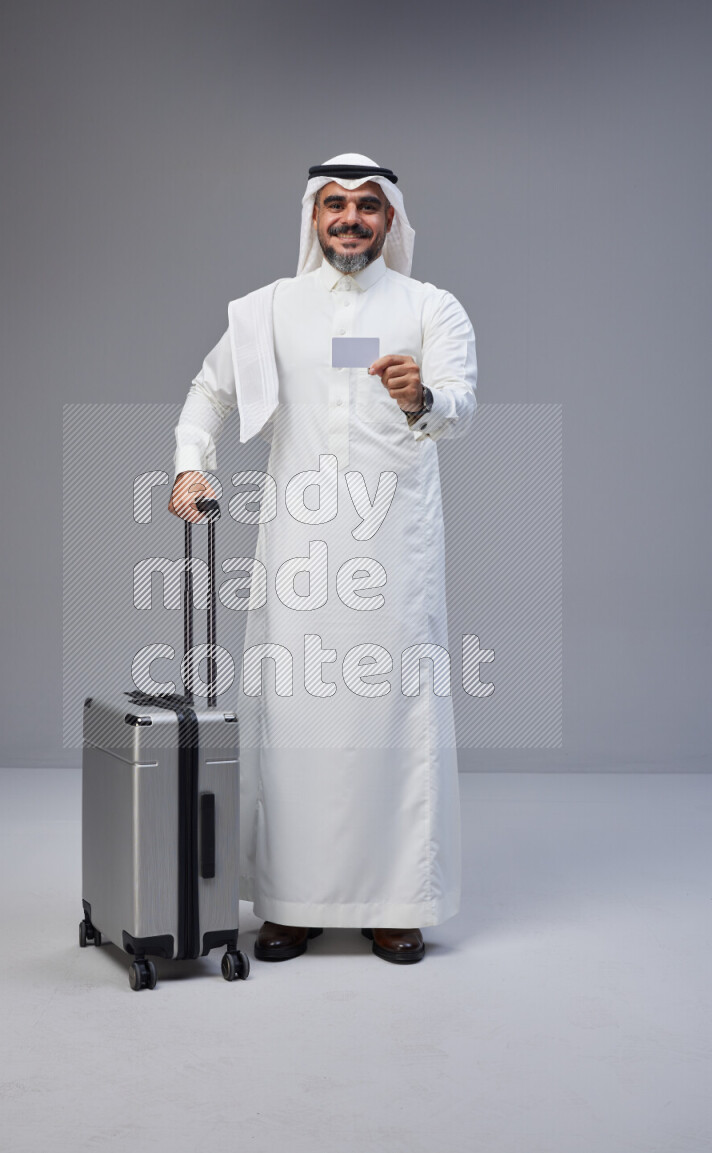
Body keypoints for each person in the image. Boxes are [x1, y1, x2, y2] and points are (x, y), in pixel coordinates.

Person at [169, 153, 477, 964]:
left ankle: (397, 903)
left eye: (367, 205)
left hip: (395, 551)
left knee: (394, 717)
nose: (350, 217)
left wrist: (420, 397)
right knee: (295, 720)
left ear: (390, 219)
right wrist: (191, 464)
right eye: (334, 203)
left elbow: (461, 404)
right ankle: (290, 903)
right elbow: (208, 391)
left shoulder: (429, 306)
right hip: (300, 553)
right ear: (313, 216)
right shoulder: (269, 310)